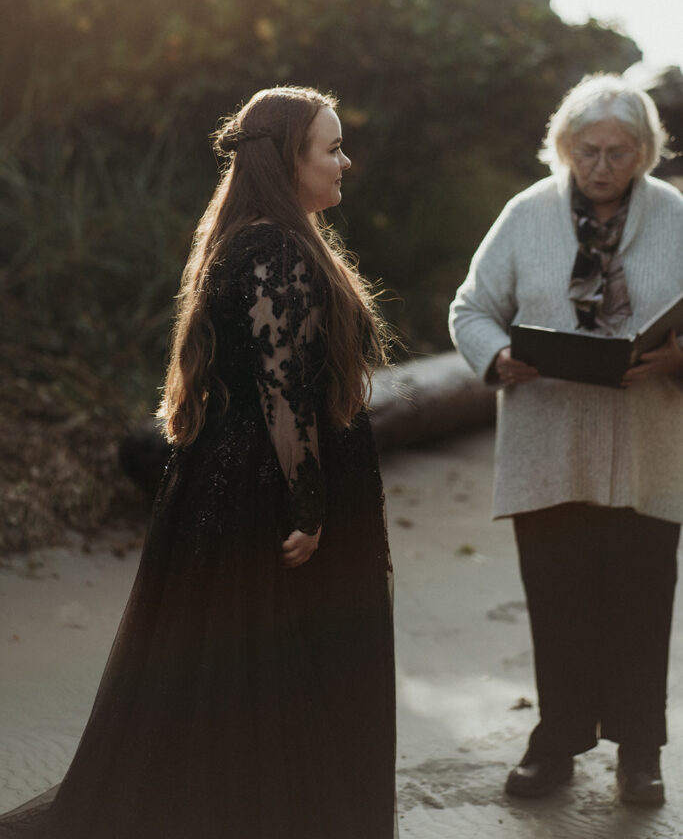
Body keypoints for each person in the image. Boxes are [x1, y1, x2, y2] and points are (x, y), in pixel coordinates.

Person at [0, 86, 397, 839]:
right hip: (265, 491)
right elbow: (285, 396)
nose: (345, 159)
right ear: (288, 159)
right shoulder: (276, 249)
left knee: (238, 679)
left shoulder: (254, 236)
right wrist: (310, 510)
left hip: (237, 477)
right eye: (331, 147)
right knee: (275, 674)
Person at [449, 73, 683, 806]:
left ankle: (638, 751)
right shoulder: (525, 213)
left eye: (619, 151)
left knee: (642, 603)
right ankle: (556, 741)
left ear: (644, 152)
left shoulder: (675, 215)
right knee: (557, 600)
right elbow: (470, 307)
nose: (602, 165)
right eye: (588, 150)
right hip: (546, 446)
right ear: (563, 146)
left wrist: (678, 357)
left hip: (647, 447)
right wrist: (495, 357)